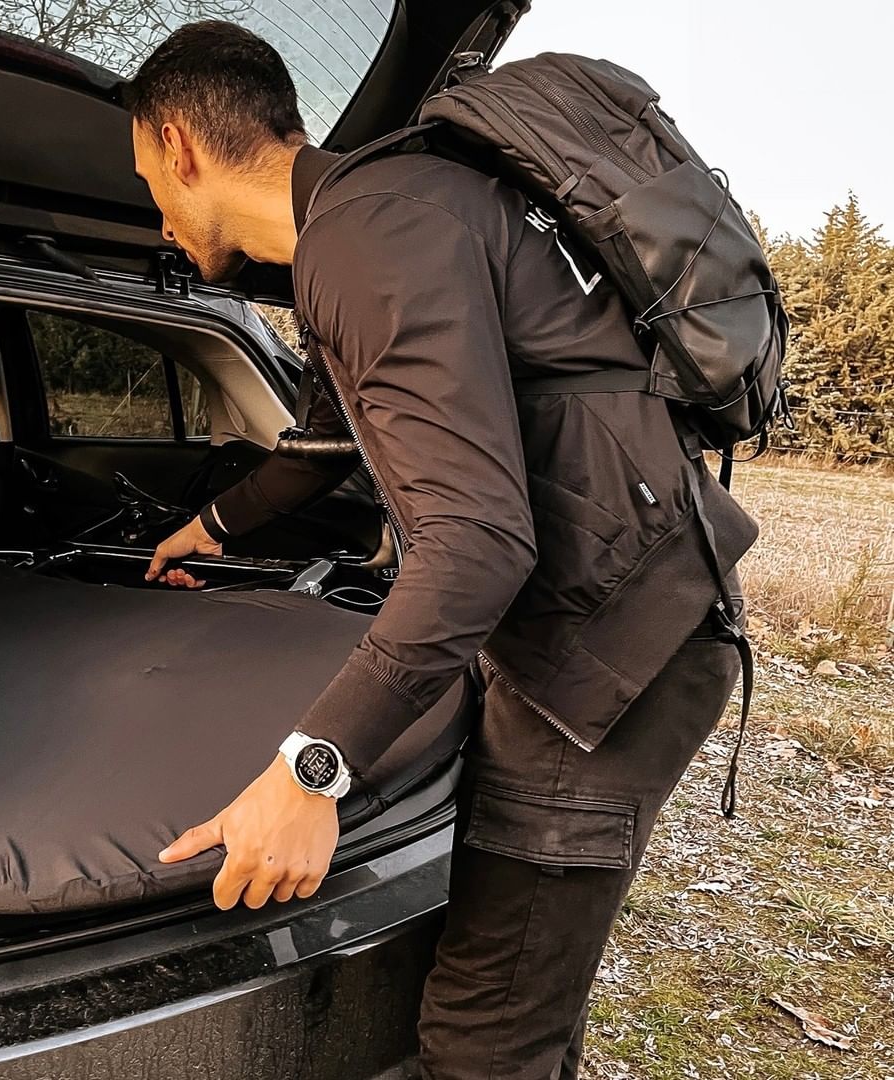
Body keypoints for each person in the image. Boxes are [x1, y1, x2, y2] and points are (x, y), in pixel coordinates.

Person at [124, 21, 758, 1079]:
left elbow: (477, 542)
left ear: (181, 144)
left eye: (148, 179)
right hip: (610, 614)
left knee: (482, 1035)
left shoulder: (369, 232)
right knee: (525, 990)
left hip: (605, 657)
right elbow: (328, 445)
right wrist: (208, 527)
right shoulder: (376, 215)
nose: (155, 211)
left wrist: (311, 771)